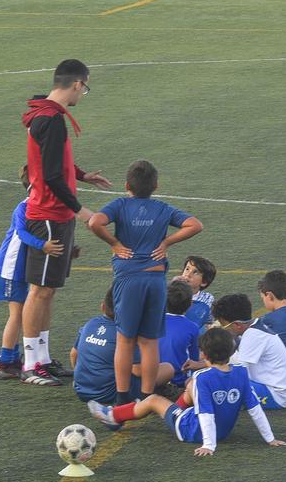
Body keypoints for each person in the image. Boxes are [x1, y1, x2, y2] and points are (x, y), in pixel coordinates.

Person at [19, 60, 113, 386]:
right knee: (40, 290)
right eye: (84, 88)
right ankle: (31, 364)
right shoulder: (51, 120)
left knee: (49, 290)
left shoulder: (46, 115)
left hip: (53, 214)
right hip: (48, 216)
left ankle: (42, 359)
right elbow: (52, 175)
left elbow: (56, 164)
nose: (82, 95)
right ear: (76, 84)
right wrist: (82, 210)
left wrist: (83, 175)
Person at [87, 159, 203, 404]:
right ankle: (147, 396)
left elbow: (95, 222)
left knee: (125, 339)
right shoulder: (162, 208)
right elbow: (195, 225)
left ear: (127, 185)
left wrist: (115, 244)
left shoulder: (119, 205)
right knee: (149, 341)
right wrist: (167, 242)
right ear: (156, 185)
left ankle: (122, 400)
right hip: (155, 278)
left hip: (129, 279)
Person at [88, 328, 286, 457]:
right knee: (192, 387)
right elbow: (254, 408)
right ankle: (175, 410)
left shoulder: (203, 376)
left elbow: (207, 413)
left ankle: (113, 416)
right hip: (223, 432)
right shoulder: (242, 373)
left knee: (154, 400)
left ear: (204, 354)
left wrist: (209, 445)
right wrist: (270, 438)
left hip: (191, 430)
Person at [0, 166, 66, 379]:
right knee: (17, 313)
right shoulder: (24, 207)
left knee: (28, 309)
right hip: (12, 267)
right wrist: (42, 244)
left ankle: (25, 359)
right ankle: (5, 363)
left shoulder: (37, 207)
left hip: (24, 267)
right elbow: (22, 233)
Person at [212, 293, 286, 410]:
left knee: (215, 385)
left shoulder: (253, 336)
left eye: (224, 326)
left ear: (237, 325)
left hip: (275, 395)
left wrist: (209, 367)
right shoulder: (254, 327)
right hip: (275, 388)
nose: (223, 330)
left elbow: (238, 373)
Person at [71, 288, 143, 404]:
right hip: (111, 394)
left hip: (81, 391)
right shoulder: (126, 334)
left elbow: (74, 354)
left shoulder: (90, 323)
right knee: (166, 368)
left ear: (103, 306)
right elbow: (137, 370)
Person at [159, 278, 205, 388]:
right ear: (190, 304)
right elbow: (193, 360)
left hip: (154, 377)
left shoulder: (152, 321)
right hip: (179, 381)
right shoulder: (192, 327)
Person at [178, 255, 217, 328]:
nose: (188, 274)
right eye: (187, 269)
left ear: (204, 282)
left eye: (195, 272)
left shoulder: (208, 299)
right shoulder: (170, 293)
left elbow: (209, 323)